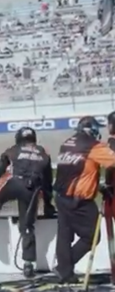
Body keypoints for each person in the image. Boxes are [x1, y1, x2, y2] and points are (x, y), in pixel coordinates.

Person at [0, 127, 55, 278]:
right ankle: (28, 264)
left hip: (14, 182)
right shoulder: (43, 153)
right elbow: (48, 182)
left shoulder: (14, 150)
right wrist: (48, 203)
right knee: (27, 226)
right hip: (31, 189)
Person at [53, 116, 115, 283]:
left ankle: (65, 272)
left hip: (61, 196)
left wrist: (97, 184)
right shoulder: (93, 146)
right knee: (91, 237)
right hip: (79, 200)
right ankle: (64, 268)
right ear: (91, 130)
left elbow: (80, 171)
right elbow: (113, 161)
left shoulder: (66, 143)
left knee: (64, 235)